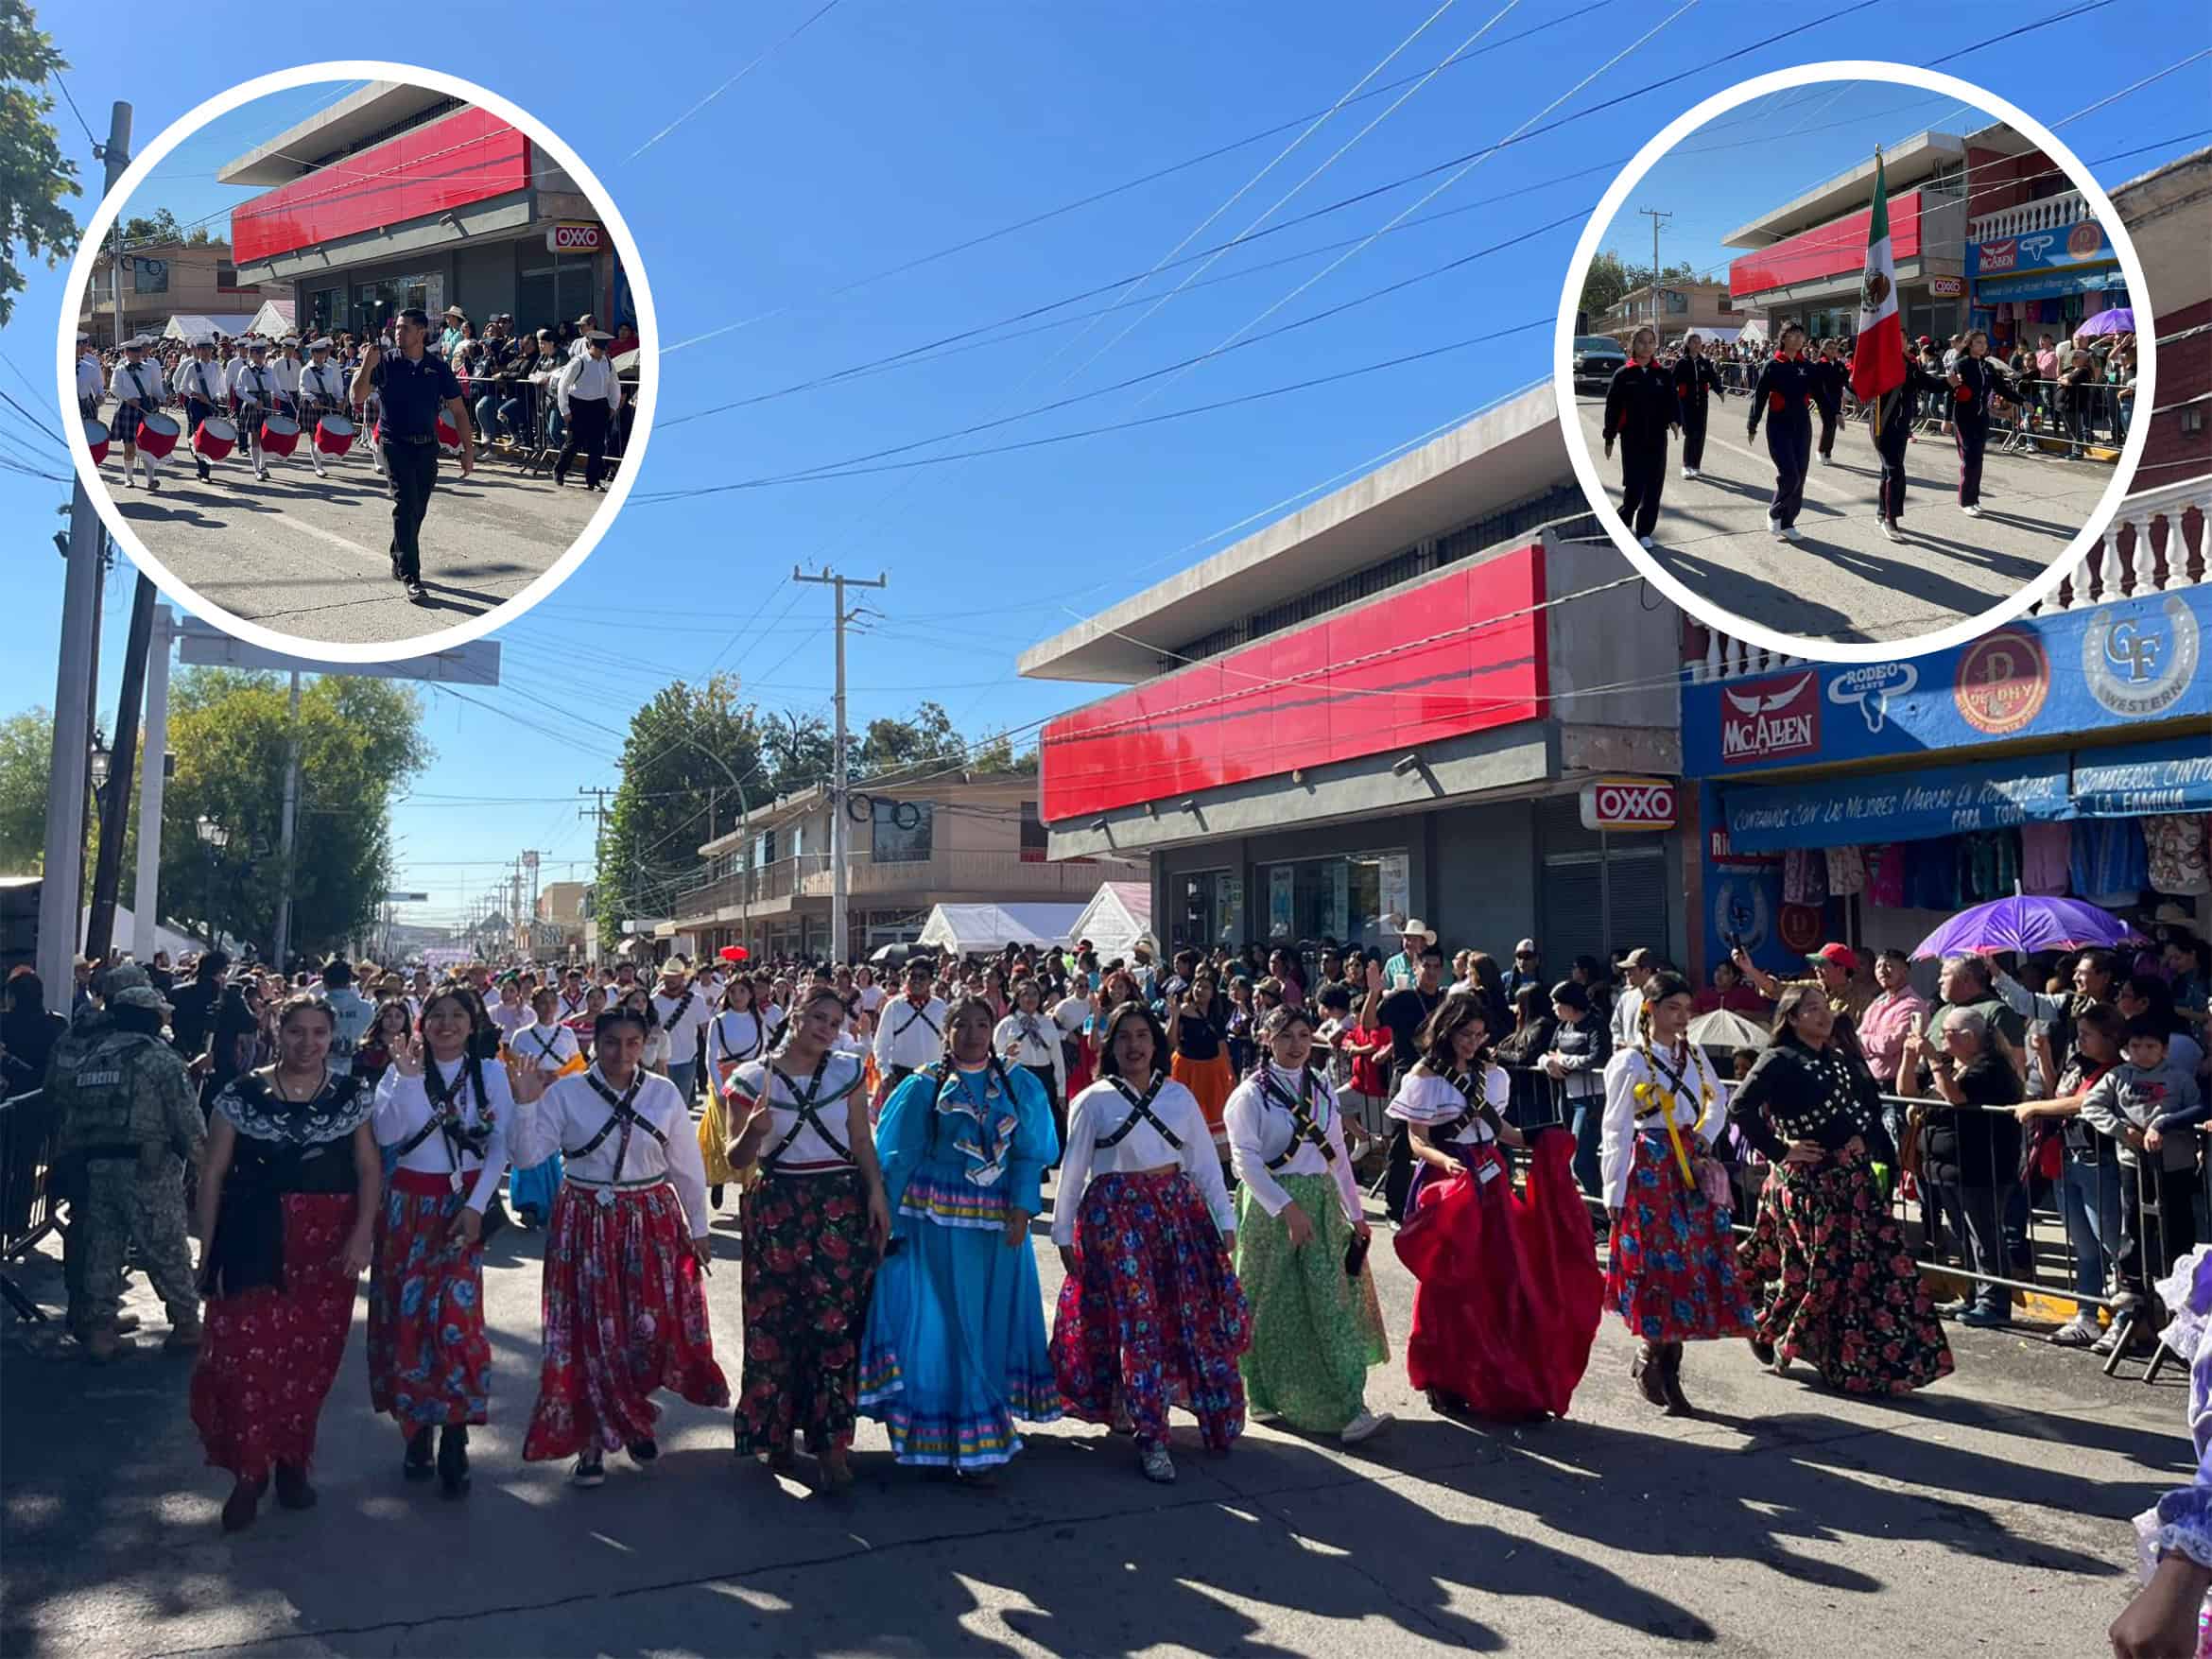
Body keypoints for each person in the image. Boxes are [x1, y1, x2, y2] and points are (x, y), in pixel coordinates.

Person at [506, 1004, 727, 1486]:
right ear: (593, 1043)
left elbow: (687, 1165)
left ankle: (631, 1415)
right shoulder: (566, 1093)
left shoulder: (664, 1094)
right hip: (583, 1221)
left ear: (646, 1043)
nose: (621, 1054)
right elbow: (527, 1155)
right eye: (611, 1043)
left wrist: (700, 1228)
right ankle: (590, 1443)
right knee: (589, 1334)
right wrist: (524, 1105)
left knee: (644, 1329)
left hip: (650, 1218)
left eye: (632, 1043)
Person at [191, 994, 381, 1531]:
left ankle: (294, 1461)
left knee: (309, 1361)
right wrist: (208, 1248)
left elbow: (369, 1169)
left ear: (331, 1036)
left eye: (318, 1033)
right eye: (297, 1031)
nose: (307, 1043)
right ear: (279, 1030)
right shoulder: (241, 1093)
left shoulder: (350, 1096)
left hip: (326, 1245)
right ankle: (249, 1473)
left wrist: (363, 1234)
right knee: (245, 1357)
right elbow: (212, 1174)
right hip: (250, 1237)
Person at [858, 994, 1061, 1478]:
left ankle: (982, 1427)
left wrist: (1022, 1206)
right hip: (933, 1224)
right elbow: (896, 1158)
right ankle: (934, 1430)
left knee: (990, 1320)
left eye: (981, 1023)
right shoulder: (922, 1087)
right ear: (946, 1032)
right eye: (962, 1025)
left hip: (996, 1226)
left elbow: (1032, 1152)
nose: (972, 1033)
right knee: (941, 1323)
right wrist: (884, 1218)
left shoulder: (1017, 1084)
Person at [1052, 1000, 1245, 1483]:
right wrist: (1061, 1232)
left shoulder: (1178, 1097)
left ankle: (1190, 1412)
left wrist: (1225, 1220)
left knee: (1186, 1318)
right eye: (1123, 1038)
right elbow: (1073, 1171)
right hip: (1115, 1223)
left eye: (1142, 1036)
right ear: (1110, 1047)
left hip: (1176, 1216)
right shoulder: (1093, 1100)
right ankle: (1151, 1435)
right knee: (1135, 1324)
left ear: (1157, 1044)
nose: (1134, 1046)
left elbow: (1203, 1163)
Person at [1730, 983, 1951, 1394]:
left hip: (1853, 1180)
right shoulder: (1778, 1060)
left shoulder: (1841, 1060)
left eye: (1823, 1007)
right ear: (1792, 1018)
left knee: (1873, 1271)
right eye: (1811, 1009)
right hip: (1808, 1182)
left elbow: (1871, 1104)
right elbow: (1740, 1107)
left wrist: (1862, 1137)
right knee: (1818, 1271)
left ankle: (1864, 1365)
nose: (1822, 1014)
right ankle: (1768, 1329)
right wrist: (1783, 1150)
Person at [1390, 993, 1598, 1420]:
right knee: (1449, 1280)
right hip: (1448, 1182)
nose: (1473, 1042)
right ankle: (1442, 1373)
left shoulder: (1493, 1074)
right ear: (1446, 1030)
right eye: (1466, 1034)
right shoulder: (1424, 1075)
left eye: (1480, 1034)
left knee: (1501, 1277)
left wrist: (1539, 1141)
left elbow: (1501, 1129)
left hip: (1490, 1177)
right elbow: (1416, 1139)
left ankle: (1497, 1371)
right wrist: (1444, 1161)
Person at [722, 985, 891, 1487]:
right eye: (818, 1017)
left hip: (838, 1204)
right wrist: (754, 1131)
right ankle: (775, 1437)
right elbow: (736, 1161)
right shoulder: (751, 1078)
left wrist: (876, 1196)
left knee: (836, 1326)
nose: (826, 1028)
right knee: (775, 1324)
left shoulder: (847, 1071)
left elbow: (861, 1140)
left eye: (835, 1022)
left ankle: (832, 1444)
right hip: (777, 1207)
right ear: (794, 1015)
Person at [369, 990, 514, 1496]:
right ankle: (416, 1431)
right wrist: (407, 1082)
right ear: (421, 1022)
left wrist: (476, 1207)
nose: (446, 1025)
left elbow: (500, 1144)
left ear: (473, 1025)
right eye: (436, 1016)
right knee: (407, 1324)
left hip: (459, 1210)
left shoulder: (489, 1074)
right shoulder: (399, 1068)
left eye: (458, 1016)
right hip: (407, 1209)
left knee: (454, 1325)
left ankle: (454, 1434)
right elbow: (388, 1133)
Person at [1224, 1004, 1390, 1444]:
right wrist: (1287, 1209)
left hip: (1319, 1200)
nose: (1295, 1045)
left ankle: (1345, 1404)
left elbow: (1336, 1152)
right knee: (1267, 1298)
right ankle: (1259, 1393)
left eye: (1302, 1034)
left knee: (1330, 1299)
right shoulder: (1249, 1096)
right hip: (1269, 1206)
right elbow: (1246, 1163)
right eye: (1285, 1036)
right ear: (1266, 1039)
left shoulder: (1320, 1087)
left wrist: (1356, 1214)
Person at [1599, 971, 1754, 1414]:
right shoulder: (1629, 1061)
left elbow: (1717, 1100)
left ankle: (1672, 1361)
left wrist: (1705, 1135)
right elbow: (1616, 1127)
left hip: (1690, 1166)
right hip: (1650, 1169)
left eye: (1687, 1009)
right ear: (1649, 1009)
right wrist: (1613, 1189)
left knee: (1691, 1262)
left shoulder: (1696, 1055)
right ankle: (1654, 1354)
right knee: (1658, 1263)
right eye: (1673, 1008)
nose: (1683, 1017)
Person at [45, 980, 204, 1359]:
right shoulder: (160, 1059)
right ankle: (186, 1323)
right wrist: (208, 1167)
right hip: (149, 1168)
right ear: (149, 1018)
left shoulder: (91, 1057)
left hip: (95, 1167)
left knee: (102, 1248)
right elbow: (187, 1120)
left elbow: (68, 1112)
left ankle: (101, 1331)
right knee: (165, 1246)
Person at [1901, 1007, 2024, 1327]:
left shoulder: (1990, 1067)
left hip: (1981, 1167)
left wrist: (1932, 1059)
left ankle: (1995, 1303)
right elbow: (1907, 1091)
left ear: (1969, 1037)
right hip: (1945, 1167)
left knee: (1984, 1236)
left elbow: (1956, 1097)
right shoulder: (1950, 1063)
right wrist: (1909, 1057)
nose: (1942, 1039)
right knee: (1963, 1234)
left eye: (1948, 1034)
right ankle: (1972, 1294)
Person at [2013, 1003, 2125, 1348]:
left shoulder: (2119, 1068)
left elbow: (2083, 1104)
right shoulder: (2078, 1062)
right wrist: (2045, 1056)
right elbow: (2056, 1093)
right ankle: (2087, 1315)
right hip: (2066, 1156)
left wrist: (2034, 1108)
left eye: (2087, 1035)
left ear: (2109, 1037)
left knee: (2113, 1243)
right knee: (2084, 1245)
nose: (2081, 1041)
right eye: (2079, 1035)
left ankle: (2126, 1318)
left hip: (2099, 1159)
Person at [351, 307, 475, 603]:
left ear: (421, 333)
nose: (398, 333)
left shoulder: (438, 366)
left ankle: (398, 552)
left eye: (405, 328)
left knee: (418, 508)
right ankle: (412, 576)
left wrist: (468, 450)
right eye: (397, 328)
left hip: (426, 447)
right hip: (395, 444)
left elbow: (458, 410)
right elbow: (357, 396)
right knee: (405, 505)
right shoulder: (386, 361)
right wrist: (366, 366)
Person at [504, 986, 579, 1226]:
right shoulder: (522, 1036)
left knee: (556, 1146)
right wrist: (536, 1076)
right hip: (531, 1097)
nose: (547, 1008)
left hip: (559, 1097)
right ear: (533, 1006)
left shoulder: (567, 1035)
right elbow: (513, 1068)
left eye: (551, 1002)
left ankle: (558, 1199)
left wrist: (557, 1077)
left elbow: (577, 1067)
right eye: (542, 1003)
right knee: (527, 1142)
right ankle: (529, 1203)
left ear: (558, 1006)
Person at [1601, 325, 1680, 549]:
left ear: (1656, 345)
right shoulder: (1624, 375)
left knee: (1654, 488)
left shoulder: (1663, 374)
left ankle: (1645, 531)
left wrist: (1675, 420)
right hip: (1632, 438)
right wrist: (1609, 437)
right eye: (1641, 341)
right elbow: (1612, 409)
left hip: (1657, 438)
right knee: (1635, 488)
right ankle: (1622, 522)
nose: (1646, 346)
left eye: (1650, 341)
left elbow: (1672, 402)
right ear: (1632, 345)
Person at [1541, 979, 1613, 1205]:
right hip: (1568, 1096)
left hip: (1592, 1097)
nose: (1554, 1009)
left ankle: (1602, 1210)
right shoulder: (1563, 1026)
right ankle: (1594, 1209)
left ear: (1570, 1005)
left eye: (1557, 1004)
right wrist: (1547, 1063)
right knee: (1572, 1153)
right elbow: (1549, 1052)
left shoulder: (1595, 1024)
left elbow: (1599, 1057)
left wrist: (1565, 1062)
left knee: (1581, 1160)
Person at [1746, 325, 1819, 543]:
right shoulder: (1773, 365)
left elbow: (1821, 393)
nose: (1798, 339)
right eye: (1793, 335)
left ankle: (1788, 522)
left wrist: (1834, 412)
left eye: (1801, 335)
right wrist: (1753, 423)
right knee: (1790, 475)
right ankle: (1775, 511)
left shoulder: (1807, 366)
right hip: (1779, 425)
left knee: (1800, 476)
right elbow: (1759, 397)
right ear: (1783, 338)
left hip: (1802, 426)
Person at [1945, 330, 2020, 520]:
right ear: (1970, 344)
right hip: (1963, 418)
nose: (1982, 346)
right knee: (1969, 459)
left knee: (1977, 460)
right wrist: (1946, 419)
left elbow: (2001, 388)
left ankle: (1974, 499)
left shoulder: (1987, 366)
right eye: (1978, 342)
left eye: (1984, 343)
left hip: (1981, 418)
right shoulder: (1960, 364)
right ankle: (1965, 501)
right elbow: (1950, 391)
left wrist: (2021, 401)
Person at [1164, 972, 1235, 1166]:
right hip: (1187, 1068)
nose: (1200, 990)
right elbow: (1171, 1042)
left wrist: (1230, 1074)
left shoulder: (1216, 1014)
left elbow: (1222, 1046)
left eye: (1205, 987)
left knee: (1215, 1116)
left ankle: (1221, 1165)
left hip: (1212, 1070)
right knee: (1186, 1112)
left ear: (1213, 993)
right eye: (1197, 986)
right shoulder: (1183, 1011)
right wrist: (1174, 1017)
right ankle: (1184, 1160)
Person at [996, 976, 1070, 1157]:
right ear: (1017, 998)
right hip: (1018, 1078)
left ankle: (1043, 1163)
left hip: (1044, 1077)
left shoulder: (1047, 1022)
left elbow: (1058, 1059)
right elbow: (996, 1058)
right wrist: (1006, 1054)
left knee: (1042, 1122)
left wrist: (1061, 1092)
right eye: (1025, 995)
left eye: (1034, 994)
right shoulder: (1007, 1025)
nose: (1030, 999)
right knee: (1022, 1122)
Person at [873, 958, 947, 1109]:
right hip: (901, 1077)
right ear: (905, 977)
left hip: (933, 1076)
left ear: (931, 980)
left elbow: (948, 1044)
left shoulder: (941, 1007)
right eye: (912, 976)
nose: (916, 981)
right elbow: (881, 1044)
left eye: (922, 977)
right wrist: (885, 1072)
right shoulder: (894, 1006)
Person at [554, 331, 623, 491]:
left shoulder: (607, 361)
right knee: (573, 443)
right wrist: (565, 409)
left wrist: (613, 405)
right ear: (591, 346)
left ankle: (593, 480)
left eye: (603, 348)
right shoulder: (579, 362)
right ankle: (559, 471)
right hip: (578, 405)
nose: (602, 351)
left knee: (597, 446)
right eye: (599, 348)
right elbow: (563, 386)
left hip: (599, 406)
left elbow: (614, 384)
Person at [109, 337, 169, 492]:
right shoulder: (120, 369)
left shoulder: (149, 368)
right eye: (133, 351)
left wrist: (163, 398)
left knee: (147, 446)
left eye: (139, 351)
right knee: (129, 446)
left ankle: (151, 480)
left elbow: (155, 388)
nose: (137, 354)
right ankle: (129, 478)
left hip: (147, 407)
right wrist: (129, 398)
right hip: (128, 408)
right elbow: (114, 387)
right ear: (126, 353)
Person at [171, 337, 230, 484]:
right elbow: (183, 388)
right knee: (200, 436)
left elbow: (221, 385)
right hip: (197, 404)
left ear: (212, 351)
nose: (205, 352)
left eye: (208, 349)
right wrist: (196, 395)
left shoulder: (216, 366)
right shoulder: (192, 367)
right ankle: (203, 471)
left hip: (211, 403)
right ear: (197, 350)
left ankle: (204, 467)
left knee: (211, 437)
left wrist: (223, 397)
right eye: (202, 349)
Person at [296, 338, 351, 480]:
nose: (321, 356)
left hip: (326, 402)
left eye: (323, 353)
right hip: (312, 403)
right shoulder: (306, 370)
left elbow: (336, 388)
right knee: (314, 435)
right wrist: (312, 399)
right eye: (318, 353)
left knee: (326, 434)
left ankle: (324, 456)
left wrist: (340, 400)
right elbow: (303, 388)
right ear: (312, 353)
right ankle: (318, 466)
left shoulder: (330, 370)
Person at [1671, 334, 1724, 480]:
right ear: (1688, 344)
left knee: (1700, 434)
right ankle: (1686, 465)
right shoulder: (1681, 362)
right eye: (1694, 342)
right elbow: (1672, 382)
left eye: (1699, 342)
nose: (1697, 345)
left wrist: (1719, 391)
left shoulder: (1704, 362)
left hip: (1702, 403)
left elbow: (1713, 378)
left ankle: (1696, 466)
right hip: (1686, 403)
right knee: (1690, 433)